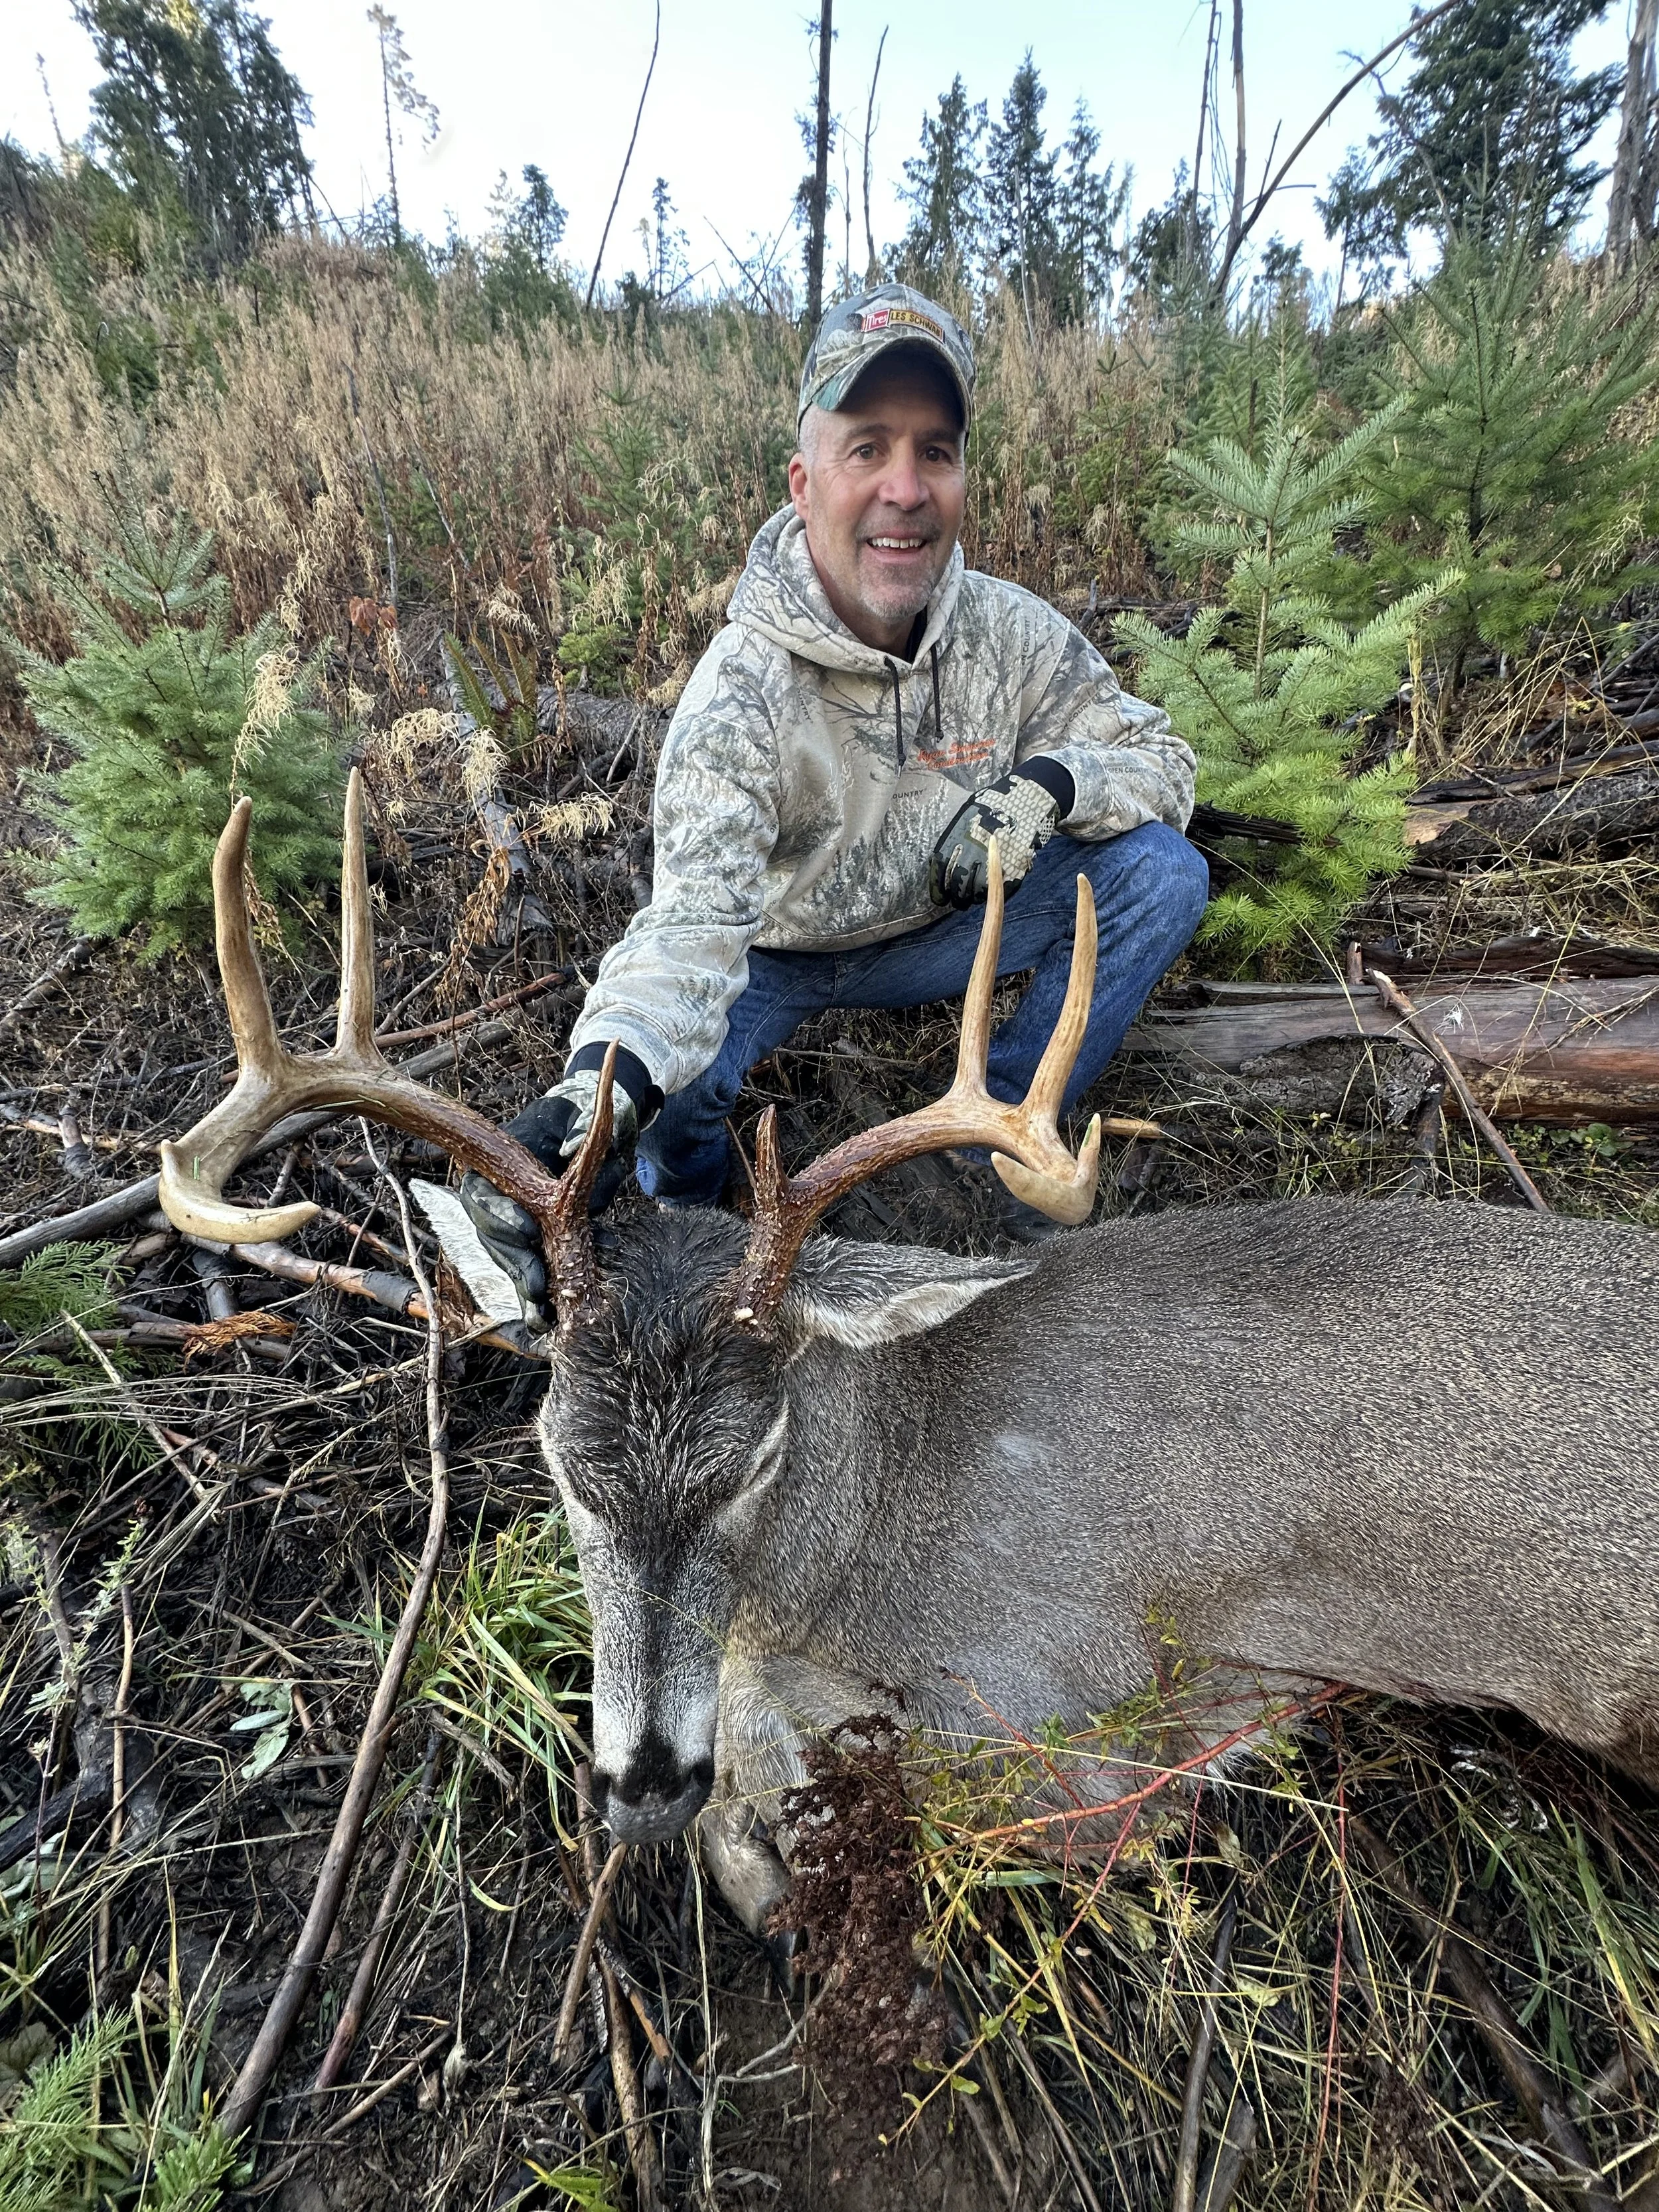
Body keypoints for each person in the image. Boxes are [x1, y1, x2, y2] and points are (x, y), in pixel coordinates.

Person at [463, 283, 1208, 1305]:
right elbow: (690, 924)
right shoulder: (740, 695)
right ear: (803, 482)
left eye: (934, 452)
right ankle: (699, 1226)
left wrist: (1052, 782)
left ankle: (983, 1160)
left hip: (944, 930)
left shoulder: (1010, 633)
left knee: (1163, 874)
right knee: (673, 1112)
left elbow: (1162, 758)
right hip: (777, 956)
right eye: (867, 449)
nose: (905, 488)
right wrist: (593, 1098)